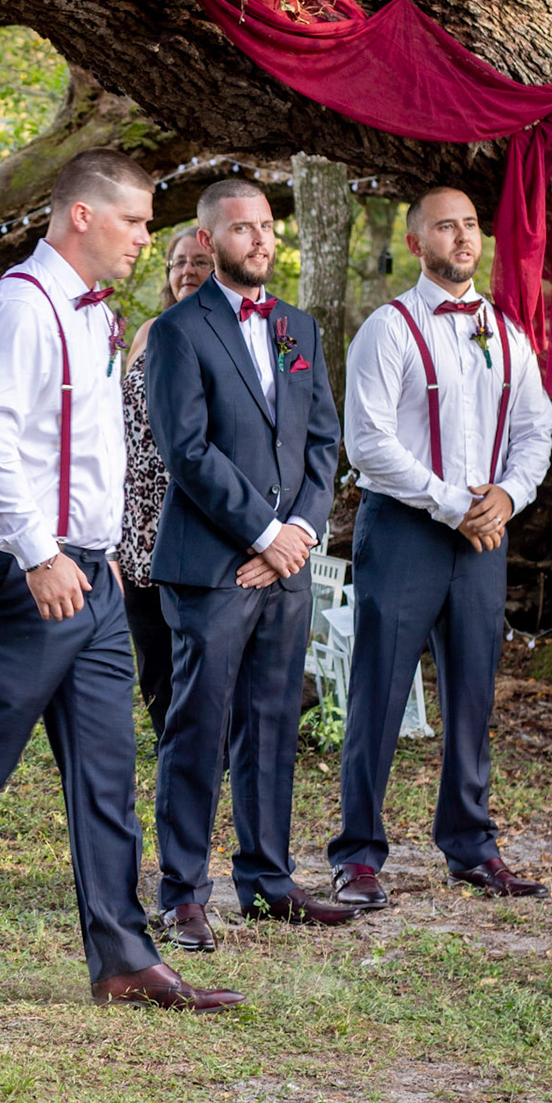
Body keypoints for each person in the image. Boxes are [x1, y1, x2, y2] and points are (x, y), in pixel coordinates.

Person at [0, 149, 244, 1013]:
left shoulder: (97, 315)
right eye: (135, 221)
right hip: (17, 575)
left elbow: (88, 445)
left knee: (108, 772)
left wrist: (96, 544)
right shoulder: (18, 307)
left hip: (89, 575)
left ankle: (122, 959)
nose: (146, 238)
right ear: (83, 215)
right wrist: (42, 553)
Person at [145, 179, 357, 955]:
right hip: (211, 567)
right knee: (198, 727)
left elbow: (322, 441)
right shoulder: (178, 331)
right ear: (209, 240)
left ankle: (268, 881)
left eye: (267, 226)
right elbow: (187, 451)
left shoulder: (299, 328)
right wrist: (262, 534)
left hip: (287, 565)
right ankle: (182, 895)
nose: (261, 239)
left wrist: (296, 532)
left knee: (272, 722)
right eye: (243, 228)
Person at [328, 187, 552, 909]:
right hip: (404, 529)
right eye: (445, 226)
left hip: (485, 532)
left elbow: (536, 430)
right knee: (380, 691)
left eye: (470, 226)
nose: (462, 237)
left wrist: (508, 497)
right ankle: (357, 856)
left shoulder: (507, 333)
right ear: (416, 240)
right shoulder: (388, 329)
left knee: (472, 691)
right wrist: (455, 505)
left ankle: (471, 846)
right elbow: (368, 443)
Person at [118, 226, 216, 747]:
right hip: (138, 517)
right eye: (178, 262)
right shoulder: (149, 332)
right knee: (152, 648)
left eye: (199, 261)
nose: (187, 271)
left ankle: (210, 747)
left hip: (195, 513)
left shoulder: (227, 335)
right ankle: (168, 743)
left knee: (197, 645)